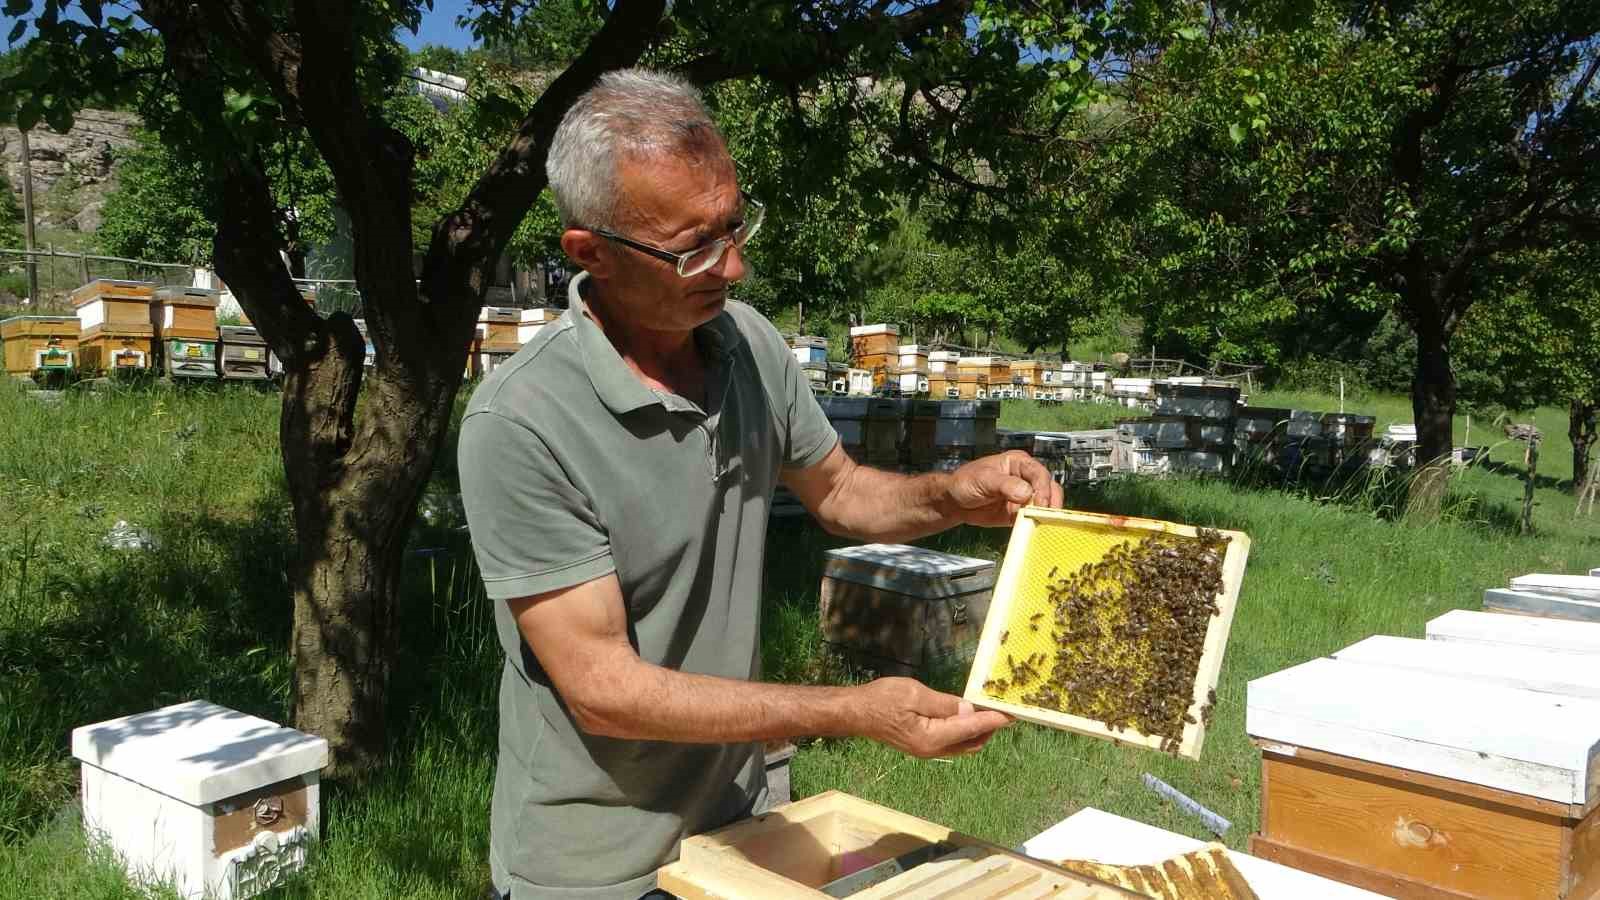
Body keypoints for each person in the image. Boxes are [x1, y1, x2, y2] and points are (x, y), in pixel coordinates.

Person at [458, 68, 1065, 900]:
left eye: (736, 227)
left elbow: (842, 490)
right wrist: (850, 711)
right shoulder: (521, 423)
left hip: (740, 822)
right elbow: (603, 690)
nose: (734, 267)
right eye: (695, 247)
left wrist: (950, 492)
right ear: (589, 252)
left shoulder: (747, 343)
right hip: (593, 863)